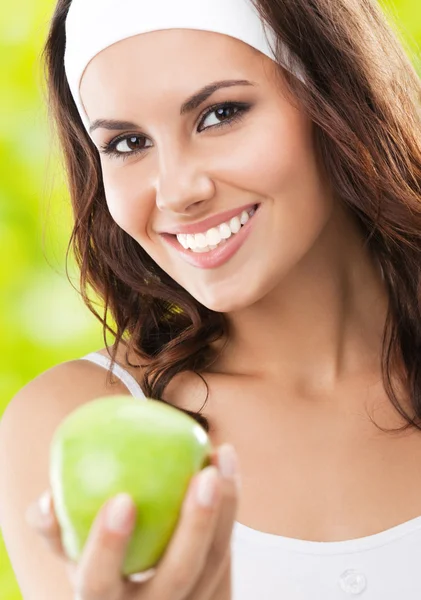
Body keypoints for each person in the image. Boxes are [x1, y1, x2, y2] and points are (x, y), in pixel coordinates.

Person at [1, 0, 421, 597]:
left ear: (337, 98)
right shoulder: (68, 422)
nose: (177, 190)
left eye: (220, 114)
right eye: (126, 143)